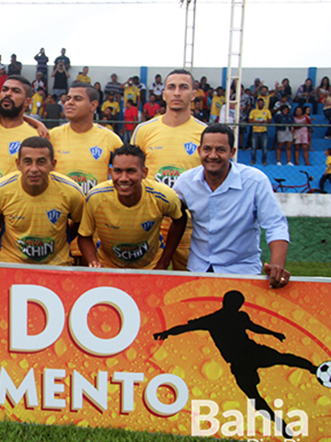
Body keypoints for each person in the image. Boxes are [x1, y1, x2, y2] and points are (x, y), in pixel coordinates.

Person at [154, 290, 319, 439]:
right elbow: (186, 328)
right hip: (242, 360)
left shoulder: (233, 317)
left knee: (284, 360)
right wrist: (166, 332)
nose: (237, 306)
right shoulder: (214, 319)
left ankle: (314, 369)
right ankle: (279, 423)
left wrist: (273, 333)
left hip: (250, 353)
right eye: (235, 303)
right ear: (228, 303)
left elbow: (254, 328)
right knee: (255, 394)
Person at [173, 124, 290, 288]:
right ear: (199, 151)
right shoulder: (185, 182)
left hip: (242, 271)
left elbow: (275, 225)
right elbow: (169, 214)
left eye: (220, 150)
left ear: (232, 153)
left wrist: (277, 265)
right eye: (207, 149)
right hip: (198, 270)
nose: (213, 155)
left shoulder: (255, 181)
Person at [131, 69, 207, 271]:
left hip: (191, 225)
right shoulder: (144, 130)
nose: (177, 93)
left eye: (184, 87)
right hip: (151, 223)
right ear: (163, 94)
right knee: (148, 287)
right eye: (171, 87)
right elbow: (132, 174)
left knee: (188, 287)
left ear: (194, 93)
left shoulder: (204, 133)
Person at [79, 144, 186, 269]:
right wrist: (94, 261)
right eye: (118, 171)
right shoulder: (96, 197)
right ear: (111, 172)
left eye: (131, 171)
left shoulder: (163, 196)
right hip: (109, 265)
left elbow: (180, 220)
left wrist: (164, 262)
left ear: (144, 172)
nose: (124, 178)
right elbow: (84, 236)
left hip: (150, 265)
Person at [0, 137, 84, 266]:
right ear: (18, 164)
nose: (33, 169)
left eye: (41, 162)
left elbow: (78, 222)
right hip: (11, 263)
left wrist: (61, 239)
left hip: (57, 265)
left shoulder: (72, 192)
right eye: (27, 162)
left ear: (53, 165)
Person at [49, 82, 123, 195]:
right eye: (68, 98)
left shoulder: (111, 139)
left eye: (77, 99)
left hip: (96, 209)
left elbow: (123, 176)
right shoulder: (52, 136)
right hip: (61, 210)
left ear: (93, 105)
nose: (69, 102)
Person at [0, 76, 39, 192]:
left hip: (13, 207)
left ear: (27, 101)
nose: (8, 94)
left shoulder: (34, 137)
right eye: (5, 90)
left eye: (16, 91)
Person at [248, 98, 271, 165]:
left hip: (264, 131)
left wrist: (265, 121)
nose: (261, 104)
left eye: (262, 103)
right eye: (259, 103)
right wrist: (257, 122)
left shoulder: (267, 111)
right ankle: (253, 160)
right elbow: (250, 120)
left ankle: (264, 161)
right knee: (254, 147)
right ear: (257, 104)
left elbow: (270, 120)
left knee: (264, 147)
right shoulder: (253, 111)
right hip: (255, 131)